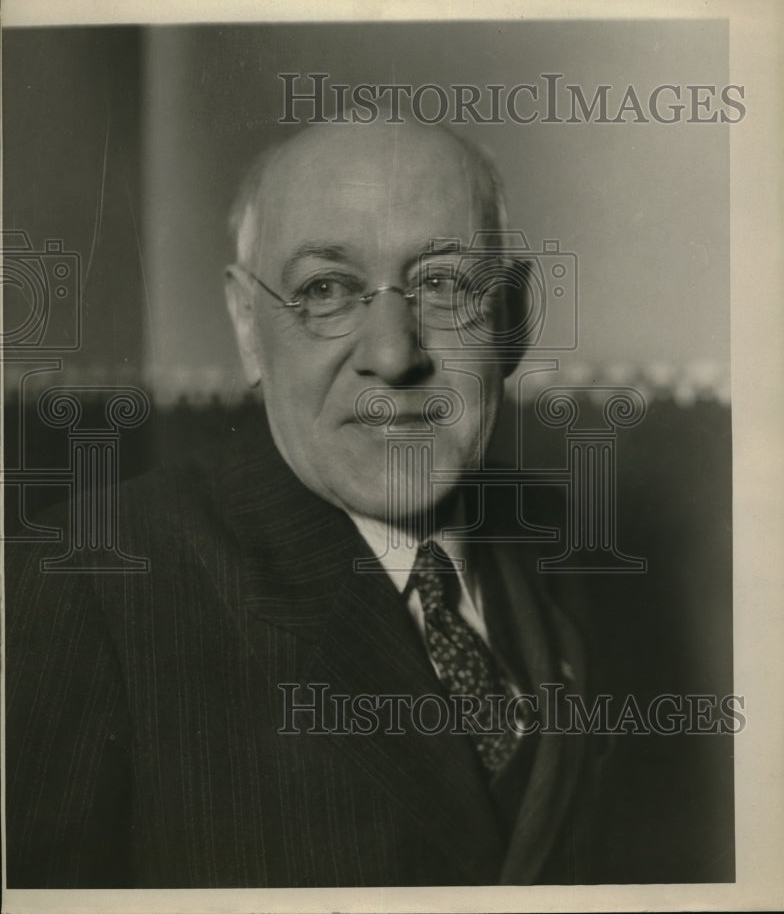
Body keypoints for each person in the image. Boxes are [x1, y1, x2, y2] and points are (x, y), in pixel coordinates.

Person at [5, 119, 733, 888]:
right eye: (326, 289)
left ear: (511, 317)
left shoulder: (576, 548)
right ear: (249, 328)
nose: (393, 354)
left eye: (445, 285)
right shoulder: (92, 582)